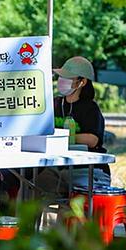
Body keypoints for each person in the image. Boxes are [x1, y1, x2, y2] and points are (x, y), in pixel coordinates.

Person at [37, 56, 111, 196]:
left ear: (82, 82)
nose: (61, 81)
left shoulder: (90, 109)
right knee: (31, 187)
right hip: (57, 168)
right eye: (61, 77)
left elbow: (92, 139)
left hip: (87, 169)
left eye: (68, 78)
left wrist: (62, 137)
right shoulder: (54, 104)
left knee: (79, 202)